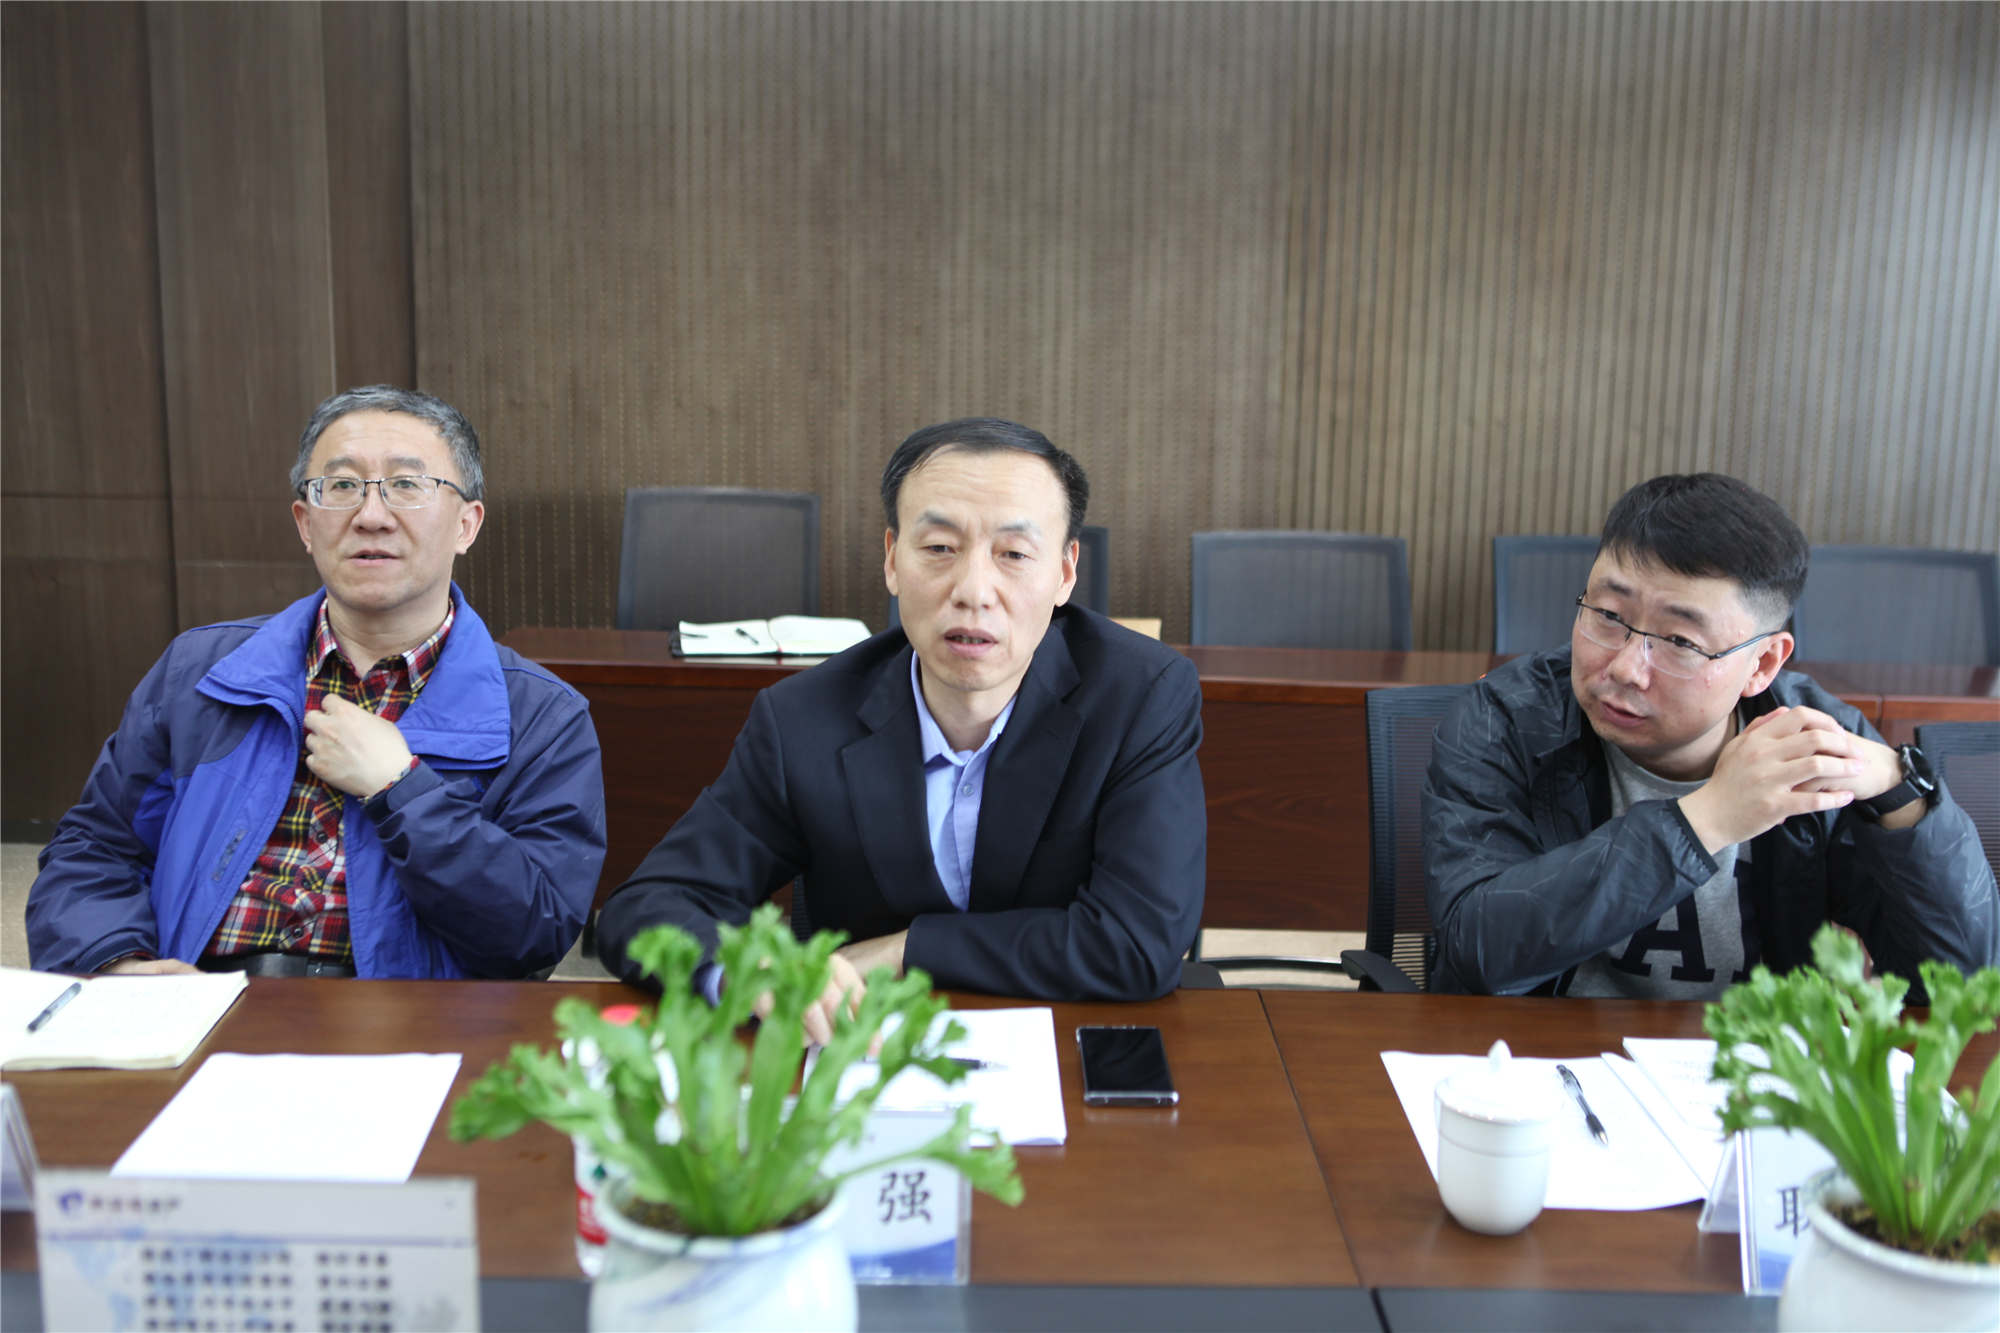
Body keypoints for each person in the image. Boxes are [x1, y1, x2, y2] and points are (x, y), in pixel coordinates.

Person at [597, 418, 1206, 1027]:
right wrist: (744, 967)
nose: (974, 591)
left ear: (1065, 573)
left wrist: (905, 950)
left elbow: (1139, 943)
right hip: (856, 1049)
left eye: (1014, 554)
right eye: (939, 548)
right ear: (892, 559)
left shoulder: (1140, 697)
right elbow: (647, 907)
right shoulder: (803, 719)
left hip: (1068, 1047)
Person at [27, 386, 606, 979]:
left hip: (405, 1020)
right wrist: (119, 966)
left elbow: (534, 930)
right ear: (305, 523)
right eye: (342, 486)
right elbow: (94, 849)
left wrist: (401, 790)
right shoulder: (199, 672)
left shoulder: (542, 716)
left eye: (407, 485)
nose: (371, 516)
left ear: (466, 524)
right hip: (197, 999)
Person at [1425, 473, 1998, 998]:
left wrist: (1903, 794)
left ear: (1762, 664)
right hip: (1540, 1059)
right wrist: (1707, 819)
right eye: (1609, 616)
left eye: (1680, 642)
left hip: (1744, 1064)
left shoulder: (1811, 745)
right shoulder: (1506, 720)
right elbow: (1477, 950)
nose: (1625, 668)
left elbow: (1955, 984)